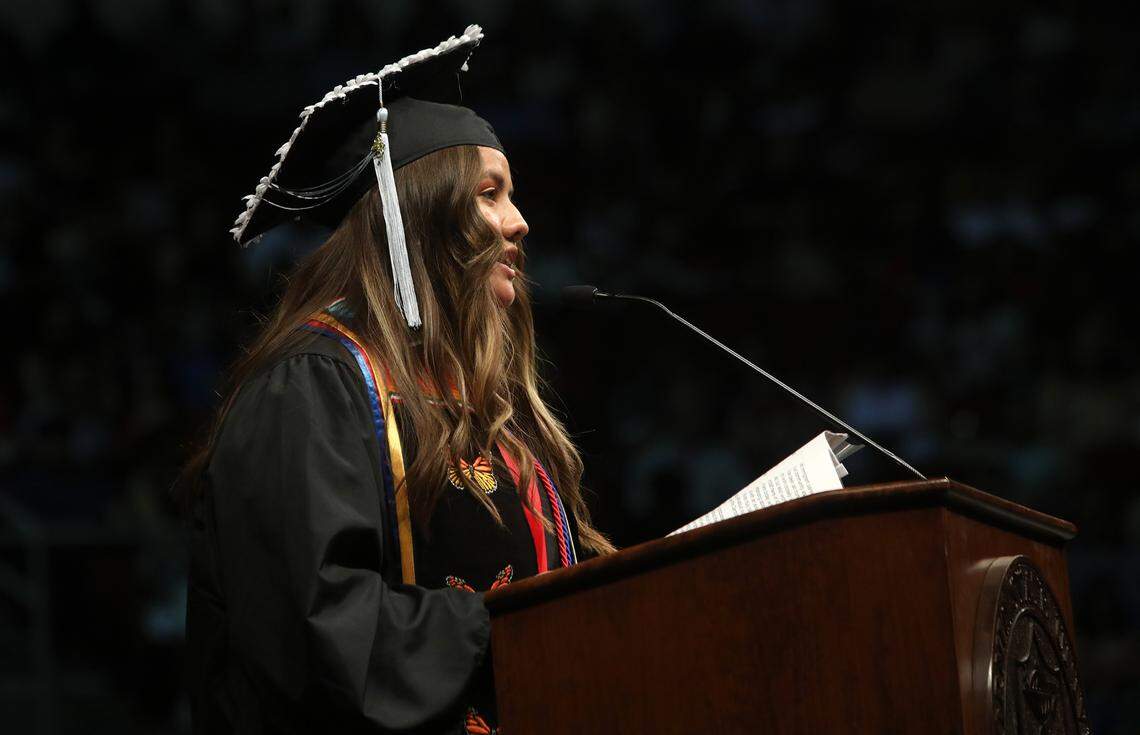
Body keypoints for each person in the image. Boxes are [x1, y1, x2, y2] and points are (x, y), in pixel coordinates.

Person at [179, 25, 613, 734]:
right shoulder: (313, 387)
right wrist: (521, 624)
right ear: (417, 216)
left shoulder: (489, 415)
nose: (520, 223)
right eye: (490, 194)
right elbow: (318, 631)